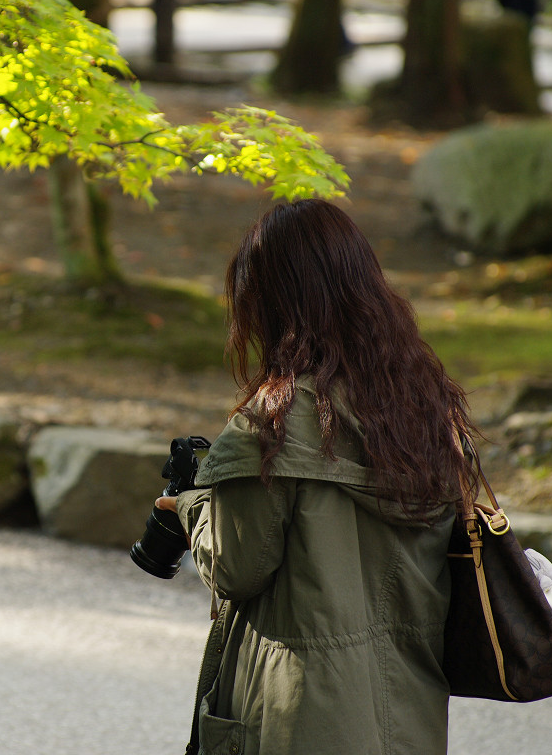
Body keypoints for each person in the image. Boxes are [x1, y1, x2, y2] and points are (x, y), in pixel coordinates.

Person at [156, 199, 476, 755]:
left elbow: (236, 566)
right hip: (409, 717)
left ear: (271, 304)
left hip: (296, 718)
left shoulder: (270, 425)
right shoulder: (426, 415)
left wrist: (189, 506)